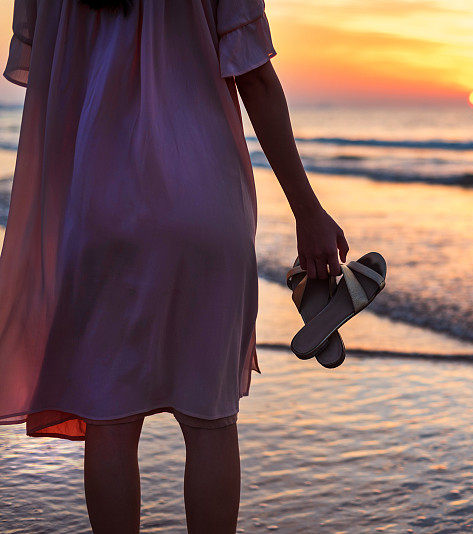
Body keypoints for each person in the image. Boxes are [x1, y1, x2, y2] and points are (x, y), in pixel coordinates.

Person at [0, 0, 348, 532]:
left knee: (110, 420)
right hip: (202, 206)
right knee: (209, 421)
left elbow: (47, 75)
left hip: (99, 212)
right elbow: (254, 79)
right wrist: (308, 209)